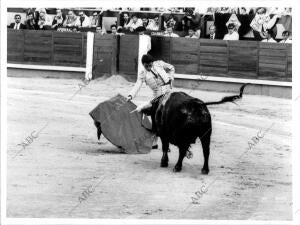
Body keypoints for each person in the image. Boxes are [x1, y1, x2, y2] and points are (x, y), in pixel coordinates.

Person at [127, 54, 175, 148]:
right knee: (154, 116)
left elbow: (171, 67)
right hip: (157, 95)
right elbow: (138, 85)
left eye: (150, 65)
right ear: (143, 64)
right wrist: (130, 95)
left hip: (168, 91)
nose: (149, 67)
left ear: (152, 63)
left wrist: (171, 77)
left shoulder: (159, 64)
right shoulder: (143, 74)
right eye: (146, 66)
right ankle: (155, 142)